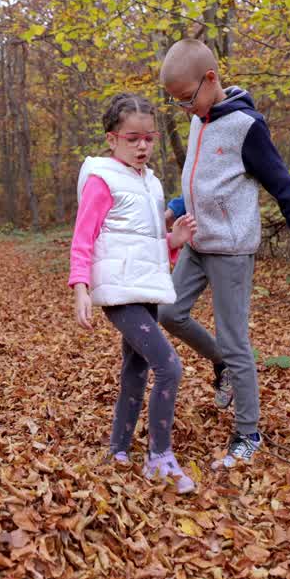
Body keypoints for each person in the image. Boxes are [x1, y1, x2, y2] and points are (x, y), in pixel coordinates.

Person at [157, 38, 290, 469]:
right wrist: (173, 210)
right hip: (196, 240)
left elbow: (283, 185)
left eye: (187, 98)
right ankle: (222, 366)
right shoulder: (199, 120)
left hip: (230, 249)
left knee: (235, 341)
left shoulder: (247, 127)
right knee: (168, 313)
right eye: (176, 102)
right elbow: (198, 183)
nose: (184, 108)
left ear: (210, 79)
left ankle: (248, 433)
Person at [69, 93, 199, 494]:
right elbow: (83, 236)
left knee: (137, 369)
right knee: (169, 365)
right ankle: (159, 457)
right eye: (133, 138)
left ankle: (118, 449)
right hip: (119, 292)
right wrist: (81, 287)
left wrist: (172, 241)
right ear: (112, 139)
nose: (142, 146)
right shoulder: (102, 179)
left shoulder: (151, 182)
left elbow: (141, 240)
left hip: (144, 286)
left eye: (149, 138)